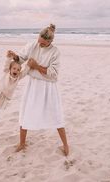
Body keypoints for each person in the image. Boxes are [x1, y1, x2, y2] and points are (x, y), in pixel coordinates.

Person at [11, 24, 69, 156]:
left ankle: (66, 145)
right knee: (25, 113)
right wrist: (14, 56)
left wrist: (36, 66)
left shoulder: (55, 52)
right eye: (39, 41)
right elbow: (20, 59)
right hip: (33, 85)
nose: (40, 44)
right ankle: (22, 143)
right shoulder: (33, 45)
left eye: (43, 43)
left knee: (56, 115)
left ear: (50, 41)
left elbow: (53, 74)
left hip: (49, 87)